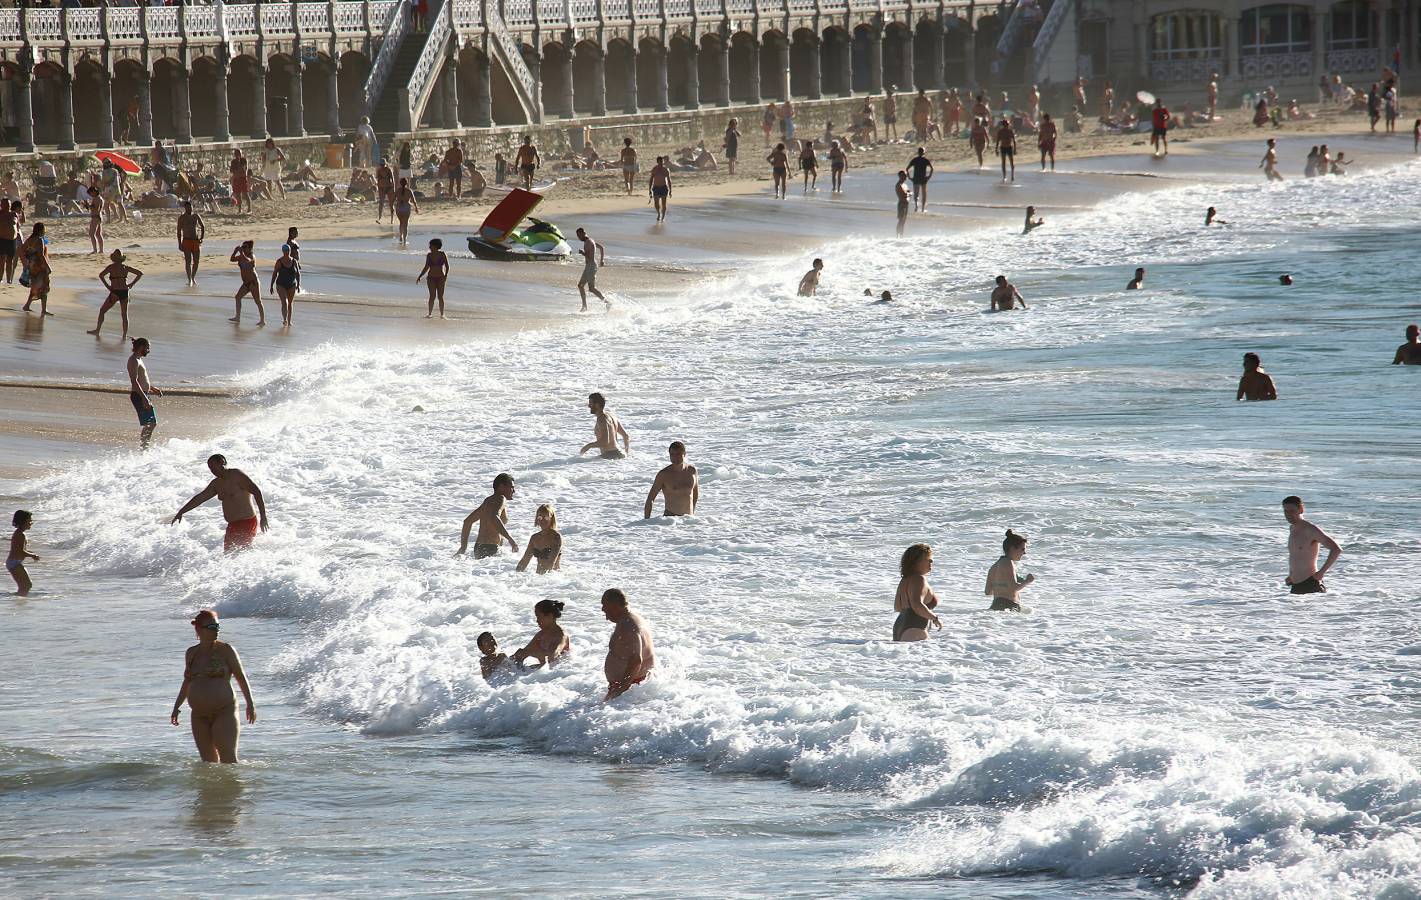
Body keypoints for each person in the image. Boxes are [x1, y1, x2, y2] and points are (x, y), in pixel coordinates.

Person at [170, 609, 256, 764]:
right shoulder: (191, 653)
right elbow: (187, 682)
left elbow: (240, 677)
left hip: (223, 711)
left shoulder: (226, 650)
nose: (216, 631)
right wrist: (176, 707)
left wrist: (250, 704)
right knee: (208, 764)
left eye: (217, 627)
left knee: (228, 761)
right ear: (199, 629)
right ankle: (212, 789)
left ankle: (232, 787)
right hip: (199, 715)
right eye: (211, 627)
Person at [171, 455, 269, 552]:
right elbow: (200, 498)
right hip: (232, 525)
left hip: (246, 522)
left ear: (223, 463)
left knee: (240, 553)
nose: (212, 470)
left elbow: (256, 491)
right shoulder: (216, 484)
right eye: (210, 468)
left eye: (214, 467)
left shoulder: (236, 475)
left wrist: (263, 517)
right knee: (229, 556)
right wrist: (181, 511)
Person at [1282, 496, 1342, 595]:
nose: (1288, 514)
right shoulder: (1292, 528)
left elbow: (1336, 549)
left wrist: (1321, 573)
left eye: (1292, 511)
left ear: (1301, 509)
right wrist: (1291, 575)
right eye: (1285, 511)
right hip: (1296, 585)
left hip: (1311, 585)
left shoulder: (1310, 529)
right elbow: (1296, 555)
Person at [602, 589, 654, 700]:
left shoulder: (628, 626)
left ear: (614, 606)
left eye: (604, 605)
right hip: (634, 686)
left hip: (630, 688)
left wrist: (619, 690)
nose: (602, 609)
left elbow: (636, 660)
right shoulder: (629, 619)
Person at [456, 473, 519, 559]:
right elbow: (494, 517)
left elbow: (467, 521)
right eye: (511, 487)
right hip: (491, 548)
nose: (514, 491)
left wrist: (463, 547)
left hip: (479, 548)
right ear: (501, 486)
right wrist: (510, 540)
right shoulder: (501, 498)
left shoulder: (487, 501)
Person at [88, 250, 144, 338]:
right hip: (125, 292)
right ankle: (124, 336)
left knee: (102, 311)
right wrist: (131, 285)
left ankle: (97, 330)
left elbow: (101, 275)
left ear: (113, 258)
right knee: (124, 315)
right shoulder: (125, 267)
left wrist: (108, 286)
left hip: (115, 292)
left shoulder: (111, 267)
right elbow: (140, 273)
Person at [893, 543, 942, 641]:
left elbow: (897, 607)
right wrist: (934, 618)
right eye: (928, 559)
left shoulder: (904, 580)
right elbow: (917, 604)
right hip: (914, 628)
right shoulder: (919, 579)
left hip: (899, 627)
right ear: (916, 562)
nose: (931, 561)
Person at [123, 336, 162, 449]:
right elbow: (134, 382)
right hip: (139, 395)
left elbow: (142, 380)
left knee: (151, 424)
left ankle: (144, 447)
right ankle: (144, 448)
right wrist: (144, 398)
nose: (148, 351)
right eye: (147, 348)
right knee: (150, 424)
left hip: (144, 394)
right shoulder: (133, 360)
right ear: (141, 347)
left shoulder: (139, 359)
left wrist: (153, 389)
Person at [644, 441, 699, 518]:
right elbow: (650, 498)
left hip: (688, 520)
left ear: (684, 454)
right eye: (672, 455)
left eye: (678, 454)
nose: (675, 457)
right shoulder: (664, 474)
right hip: (670, 520)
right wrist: (646, 521)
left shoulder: (692, 471)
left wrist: (692, 513)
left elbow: (695, 494)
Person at [985, 529, 1035, 611]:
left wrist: (1001, 587)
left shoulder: (994, 566)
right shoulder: (1008, 563)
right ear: (1012, 548)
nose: (1024, 553)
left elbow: (988, 592)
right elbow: (1014, 587)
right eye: (1022, 549)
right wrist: (1028, 581)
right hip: (1008, 606)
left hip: (996, 605)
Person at [512, 599, 571, 669]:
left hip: (558, 674)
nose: (537, 621)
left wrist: (529, 653)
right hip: (543, 673)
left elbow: (553, 655)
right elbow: (525, 652)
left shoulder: (561, 635)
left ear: (550, 616)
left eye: (539, 616)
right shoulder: (541, 635)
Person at [580, 391, 630, 459]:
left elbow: (605, 441)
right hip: (620, 453)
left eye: (590, 403)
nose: (588, 406)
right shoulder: (612, 416)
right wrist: (626, 453)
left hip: (611, 455)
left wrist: (588, 446)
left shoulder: (602, 419)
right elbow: (626, 436)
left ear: (597, 404)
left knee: (577, 463)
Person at [515, 504, 563, 574]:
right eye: (540, 517)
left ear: (551, 518)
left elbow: (551, 562)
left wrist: (542, 580)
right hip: (539, 578)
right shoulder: (534, 538)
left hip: (552, 578)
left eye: (546, 517)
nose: (542, 520)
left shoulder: (556, 537)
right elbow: (524, 560)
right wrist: (515, 575)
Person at [229, 240, 265, 325]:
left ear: (250, 248)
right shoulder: (242, 256)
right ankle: (237, 317)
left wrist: (241, 253)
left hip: (253, 282)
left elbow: (248, 260)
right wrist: (235, 251)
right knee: (237, 297)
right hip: (246, 283)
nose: (243, 248)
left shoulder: (252, 256)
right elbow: (232, 259)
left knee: (258, 301)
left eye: (245, 247)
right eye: (242, 247)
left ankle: (262, 320)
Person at [19, 223, 51, 317]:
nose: (45, 231)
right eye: (44, 230)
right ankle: (44, 309)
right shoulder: (39, 240)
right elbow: (41, 255)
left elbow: (21, 249)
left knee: (35, 286)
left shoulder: (30, 239)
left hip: (32, 266)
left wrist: (26, 262)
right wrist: (47, 267)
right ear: (41, 230)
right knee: (44, 286)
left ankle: (27, 305)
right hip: (40, 266)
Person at [574, 227, 607, 311]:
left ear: (583, 233)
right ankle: (585, 306)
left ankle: (607, 302)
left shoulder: (588, 242)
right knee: (581, 286)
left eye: (578, 235)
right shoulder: (590, 240)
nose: (578, 238)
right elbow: (601, 247)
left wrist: (583, 253)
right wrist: (602, 260)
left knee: (590, 288)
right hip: (590, 266)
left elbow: (591, 257)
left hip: (591, 266)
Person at [416, 238, 449, 319]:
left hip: (441, 278)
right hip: (431, 278)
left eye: (431, 245)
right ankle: (430, 313)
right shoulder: (429, 255)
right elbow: (426, 267)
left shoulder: (442, 254)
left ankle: (442, 314)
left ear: (436, 246)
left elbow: (447, 266)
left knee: (440, 297)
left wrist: (446, 276)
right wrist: (420, 276)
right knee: (432, 296)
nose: (429, 247)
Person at [7, 510, 37, 596]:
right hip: (14, 563)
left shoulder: (19, 533)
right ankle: (18, 601)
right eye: (30, 520)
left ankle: (18, 600)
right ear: (23, 521)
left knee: (25, 585)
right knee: (26, 585)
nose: (31, 522)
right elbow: (20, 551)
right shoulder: (20, 534)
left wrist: (30, 553)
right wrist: (32, 555)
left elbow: (19, 550)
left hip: (14, 562)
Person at [176, 200, 205, 286]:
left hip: (195, 241)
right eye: (187, 207)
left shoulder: (196, 216)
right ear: (185, 208)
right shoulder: (182, 218)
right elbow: (178, 231)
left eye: (190, 207)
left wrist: (201, 237)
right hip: (186, 241)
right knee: (188, 261)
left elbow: (203, 226)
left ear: (192, 207)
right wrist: (179, 243)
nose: (189, 208)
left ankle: (193, 277)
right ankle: (189, 279)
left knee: (196, 261)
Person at [270, 244, 299, 327]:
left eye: (288, 250)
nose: (287, 252)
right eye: (285, 250)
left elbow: (298, 273)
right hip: (281, 284)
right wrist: (271, 285)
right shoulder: (279, 261)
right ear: (283, 251)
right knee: (284, 302)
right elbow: (275, 273)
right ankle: (285, 319)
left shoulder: (294, 261)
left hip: (292, 284)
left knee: (290, 303)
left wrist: (298, 284)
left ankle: (289, 321)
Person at [906, 147, 933, 212]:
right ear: (924, 153)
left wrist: (909, 177)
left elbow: (907, 169)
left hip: (916, 178)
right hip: (923, 178)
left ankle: (916, 206)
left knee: (916, 193)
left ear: (918, 152)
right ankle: (923, 209)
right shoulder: (925, 160)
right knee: (924, 194)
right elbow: (932, 169)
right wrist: (929, 176)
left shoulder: (915, 160)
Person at [394, 177, 418, 244]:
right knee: (406, 224)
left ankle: (401, 236)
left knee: (401, 223)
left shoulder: (397, 190)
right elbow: (414, 200)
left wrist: (391, 208)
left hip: (399, 207)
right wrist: (416, 207)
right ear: (407, 183)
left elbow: (393, 200)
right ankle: (404, 240)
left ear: (400, 183)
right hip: (406, 207)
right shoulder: (409, 191)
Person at [0, 197, 19, 283]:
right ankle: (0, 279)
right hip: (2, 239)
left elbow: (17, 224)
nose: (8, 206)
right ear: (1, 205)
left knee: (10, 261)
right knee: (1, 260)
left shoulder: (14, 214)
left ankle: (9, 280)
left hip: (12, 240)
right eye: (6, 204)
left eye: (9, 204)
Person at [648, 156, 672, 221]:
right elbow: (651, 180)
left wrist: (670, 190)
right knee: (656, 203)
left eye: (662, 161)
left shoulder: (666, 170)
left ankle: (663, 217)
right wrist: (649, 189)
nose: (661, 163)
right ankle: (659, 213)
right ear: (657, 162)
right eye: (660, 161)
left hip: (664, 187)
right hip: (656, 187)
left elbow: (669, 180)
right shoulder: (654, 169)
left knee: (663, 203)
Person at [995, 118, 1017, 182]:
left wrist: (1015, 149)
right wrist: (996, 149)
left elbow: (1014, 140)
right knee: (1003, 162)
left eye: (1007, 125)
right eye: (1005, 125)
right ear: (1003, 125)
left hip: (1009, 147)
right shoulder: (1000, 132)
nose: (1006, 126)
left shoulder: (1010, 131)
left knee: (1011, 162)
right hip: (1003, 147)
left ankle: (1012, 175)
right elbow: (998, 141)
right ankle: (1004, 176)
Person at [229, 149, 251, 214]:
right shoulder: (233, 162)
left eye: (239, 153)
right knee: (238, 195)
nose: (237, 155)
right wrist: (237, 172)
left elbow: (244, 171)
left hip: (242, 179)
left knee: (245, 194)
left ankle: (249, 208)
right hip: (236, 179)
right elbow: (231, 171)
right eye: (236, 154)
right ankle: (239, 209)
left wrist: (237, 172)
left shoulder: (244, 160)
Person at [85, 184, 103, 254]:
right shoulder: (99, 198)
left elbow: (96, 209)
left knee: (91, 234)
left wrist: (89, 205)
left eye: (91, 193)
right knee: (98, 234)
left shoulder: (97, 199)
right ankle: (101, 250)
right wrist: (87, 206)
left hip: (96, 217)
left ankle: (95, 250)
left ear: (94, 192)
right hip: (98, 216)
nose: (90, 195)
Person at [375, 158, 395, 223]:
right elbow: (378, 180)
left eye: (383, 165)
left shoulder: (389, 170)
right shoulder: (379, 170)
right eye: (381, 165)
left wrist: (393, 189)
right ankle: (379, 217)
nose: (382, 166)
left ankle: (392, 219)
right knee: (381, 203)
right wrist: (378, 188)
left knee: (391, 203)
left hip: (389, 188)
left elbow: (393, 180)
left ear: (385, 164)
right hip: (381, 188)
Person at [893, 170, 910, 237]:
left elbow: (909, 192)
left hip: (906, 204)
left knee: (903, 221)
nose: (905, 177)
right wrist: (909, 193)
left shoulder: (904, 185)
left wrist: (908, 193)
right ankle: (897, 235)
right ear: (900, 176)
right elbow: (905, 194)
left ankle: (901, 235)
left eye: (905, 175)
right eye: (904, 175)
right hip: (902, 204)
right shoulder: (899, 185)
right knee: (901, 221)